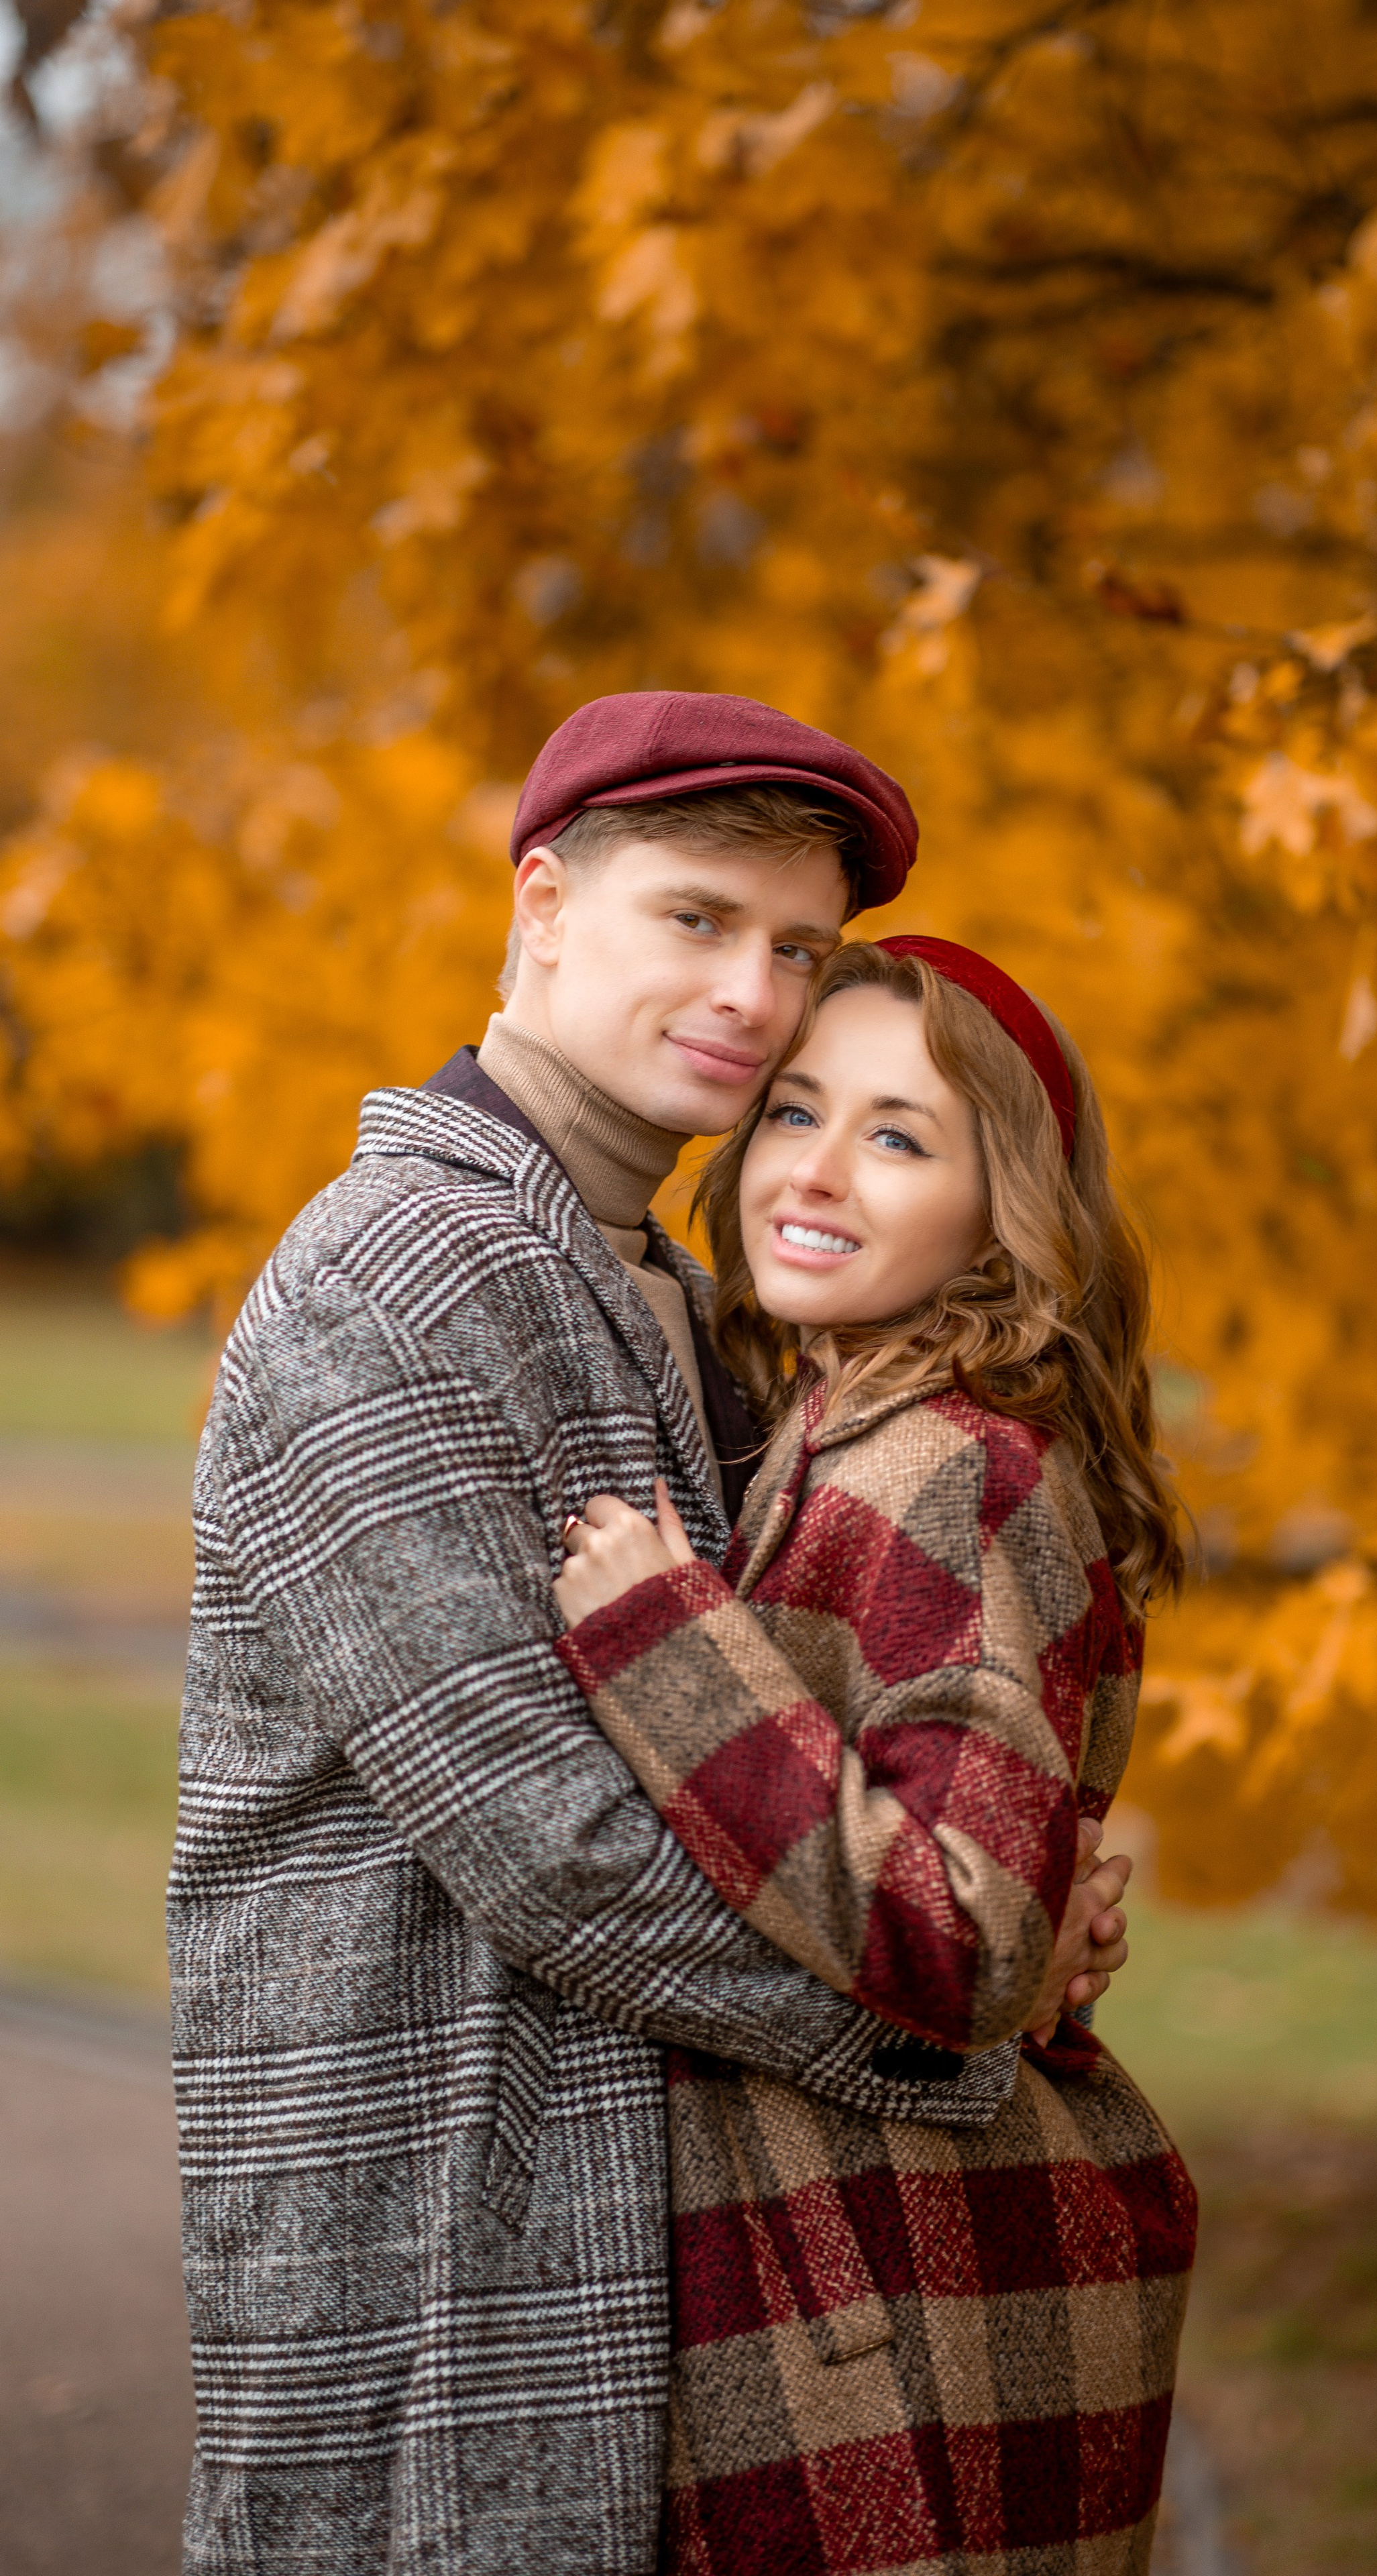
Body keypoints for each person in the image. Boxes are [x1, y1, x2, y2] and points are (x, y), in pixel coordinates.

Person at [170, 692, 1133, 2576]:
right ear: (543, 906)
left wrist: (1021, 1857)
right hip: (434, 2209)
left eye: (791, 948)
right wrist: (966, 2013)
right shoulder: (393, 1282)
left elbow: (812, 1710)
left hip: (636, 2223)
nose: (754, 995)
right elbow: (560, 1848)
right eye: (696, 920)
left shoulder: (681, 1299)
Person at [551, 934, 1197, 2573]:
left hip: (908, 2295)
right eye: (792, 1113)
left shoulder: (950, 1467)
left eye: (898, 1136)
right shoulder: (828, 1427)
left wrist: (668, 1648)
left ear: (1005, 1213)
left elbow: (962, 1940)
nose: (816, 1172)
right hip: (860, 2261)